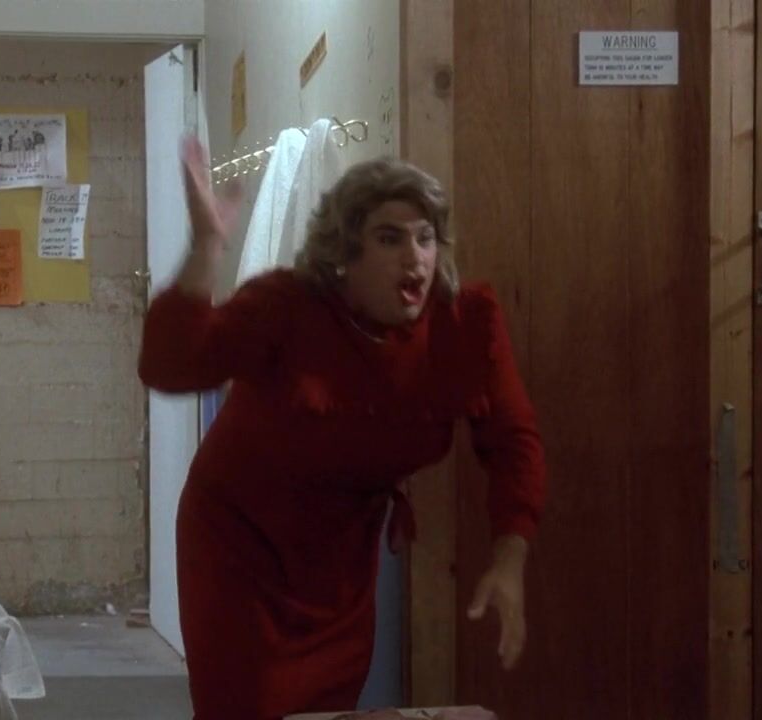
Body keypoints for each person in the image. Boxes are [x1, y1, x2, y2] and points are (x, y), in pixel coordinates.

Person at [138, 137, 547, 719]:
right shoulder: (287, 307)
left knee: (327, 708)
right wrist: (207, 247)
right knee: (246, 704)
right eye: (389, 238)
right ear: (345, 254)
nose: (415, 258)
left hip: (340, 564)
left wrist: (510, 559)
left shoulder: (463, 325)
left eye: (425, 237)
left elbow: (514, 441)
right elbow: (169, 366)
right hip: (240, 547)